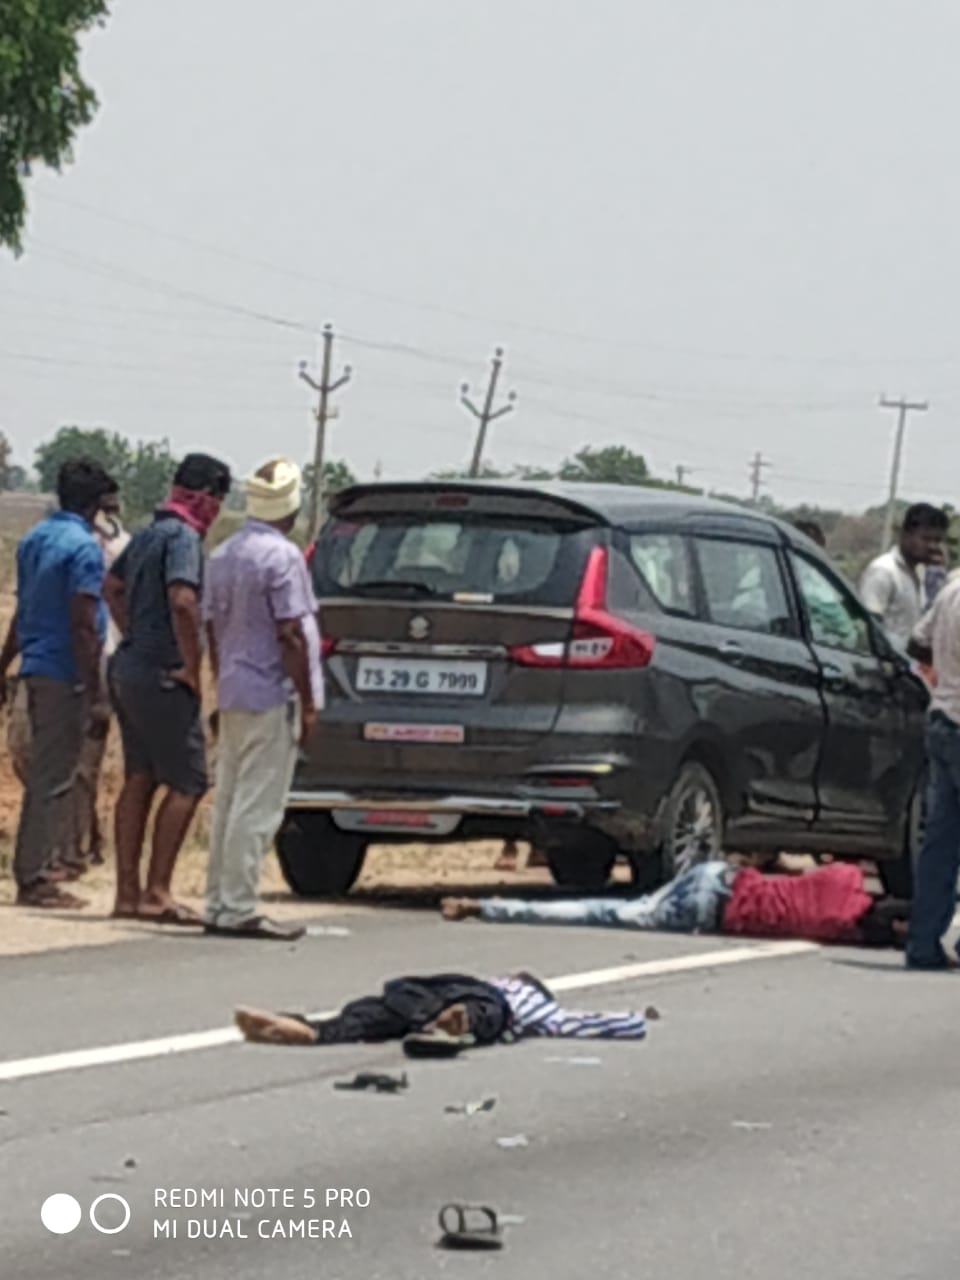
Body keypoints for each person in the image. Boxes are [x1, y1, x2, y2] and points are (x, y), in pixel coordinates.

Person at [104, 453, 231, 924]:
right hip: (162, 673)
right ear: (207, 498)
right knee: (188, 780)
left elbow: (110, 588)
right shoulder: (182, 538)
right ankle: (157, 891)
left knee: (141, 776)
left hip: (129, 667)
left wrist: (133, 632)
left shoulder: (147, 533)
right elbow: (182, 600)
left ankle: (127, 893)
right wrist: (190, 665)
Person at [203, 458, 322, 941]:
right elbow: (290, 632)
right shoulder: (283, 558)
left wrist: (219, 679)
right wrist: (309, 702)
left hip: (233, 688)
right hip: (273, 692)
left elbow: (211, 628)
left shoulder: (222, 554)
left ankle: (218, 902)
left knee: (230, 800)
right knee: (257, 806)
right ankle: (238, 906)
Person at [0, 458, 117, 908]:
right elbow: (83, 622)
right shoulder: (84, 549)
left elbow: (24, 609)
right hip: (65, 672)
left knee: (44, 772)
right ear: (95, 506)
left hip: (34, 664)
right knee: (54, 777)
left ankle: (38, 867)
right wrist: (96, 691)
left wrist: (4, 662)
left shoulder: (35, 539)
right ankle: (35, 876)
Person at [441, 859, 910, 947]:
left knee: (613, 905)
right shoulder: (840, 928)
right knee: (603, 913)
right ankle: (487, 906)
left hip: (718, 874)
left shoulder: (844, 878)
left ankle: (486, 905)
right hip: (709, 912)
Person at [234, 970, 651, 1048]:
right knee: (484, 1013)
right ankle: (454, 1021)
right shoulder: (534, 1005)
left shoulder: (505, 986)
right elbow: (581, 1023)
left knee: (374, 1013)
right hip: (483, 1005)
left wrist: (631, 1023)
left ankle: (313, 1031)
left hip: (442, 992)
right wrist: (632, 1023)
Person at [74, 482, 132, 868]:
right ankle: (87, 837)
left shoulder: (107, 544)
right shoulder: (117, 543)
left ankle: (87, 839)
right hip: (105, 651)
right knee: (88, 758)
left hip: (101, 651)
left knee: (86, 757)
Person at [904, 571, 960, 969]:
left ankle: (923, 941)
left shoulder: (952, 588)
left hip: (943, 718)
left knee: (940, 841)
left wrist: (946, 674)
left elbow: (916, 643)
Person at [859, 503, 949, 648]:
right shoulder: (883, 571)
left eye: (937, 541)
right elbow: (869, 627)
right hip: (884, 664)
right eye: (926, 539)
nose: (932, 546)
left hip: (909, 664)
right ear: (905, 535)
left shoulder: (922, 573)